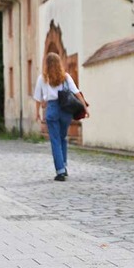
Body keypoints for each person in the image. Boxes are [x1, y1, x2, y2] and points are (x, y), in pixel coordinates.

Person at [34, 53, 89, 181]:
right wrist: (85, 108)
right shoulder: (66, 77)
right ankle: (63, 165)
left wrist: (37, 113)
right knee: (62, 138)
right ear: (59, 63)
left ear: (46, 65)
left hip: (52, 109)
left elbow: (37, 98)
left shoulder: (43, 78)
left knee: (55, 140)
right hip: (66, 110)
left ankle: (60, 171)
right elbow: (77, 93)